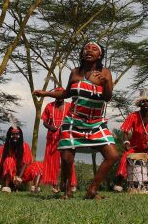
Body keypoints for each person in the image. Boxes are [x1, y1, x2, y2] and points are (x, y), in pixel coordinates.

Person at [33, 41, 118, 199]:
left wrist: (106, 83)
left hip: (96, 122)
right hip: (73, 120)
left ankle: (92, 190)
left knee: (112, 156)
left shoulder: (105, 72)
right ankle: (66, 191)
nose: (89, 51)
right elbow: (66, 94)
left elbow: (107, 97)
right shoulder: (75, 72)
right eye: (86, 48)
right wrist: (45, 93)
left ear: (100, 55)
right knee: (66, 158)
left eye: (94, 49)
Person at [114, 92, 148, 192]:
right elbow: (125, 130)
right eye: (143, 101)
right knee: (125, 158)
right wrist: (126, 143)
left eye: (147, 101)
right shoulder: (133, 116)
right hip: (135, 145)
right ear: (139, 103)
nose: (145, 103)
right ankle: (119, 182)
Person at [40, 93, 77, 193]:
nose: (59, 97)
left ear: (64, 96)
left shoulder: (69, 106)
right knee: (52, 161)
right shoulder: (49, 106)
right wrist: (50, 127)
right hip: (52, 137)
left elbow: (75, 119)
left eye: (61, 96)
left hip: (66, 136)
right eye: (57, 96)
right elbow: (44, 121)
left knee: (68, 160)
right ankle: (55, 184)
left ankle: (71, 184)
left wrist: (66, 127)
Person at [0, 126, 33, 193]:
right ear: (9, 135)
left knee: (38, 166)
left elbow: (26, 163)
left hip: (21, 176)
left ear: (20, 135)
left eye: (17, 134)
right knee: (9, 160)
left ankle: (35, 188)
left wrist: (19, 179)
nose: (15, 136)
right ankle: (6, 187)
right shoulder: (5, 147)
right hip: (7, 175)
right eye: (12, 134)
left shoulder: (25, 146)